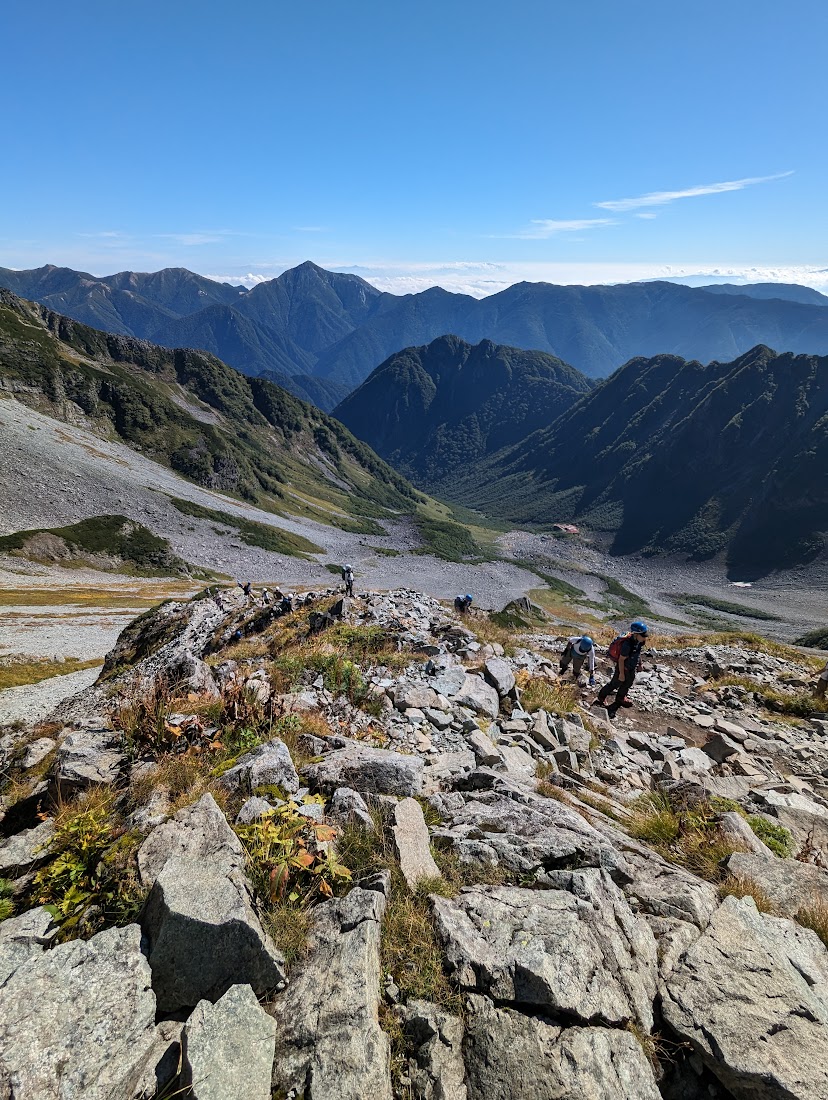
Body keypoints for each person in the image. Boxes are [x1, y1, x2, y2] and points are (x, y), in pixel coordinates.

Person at [597, 621, 648, 718]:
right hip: (623, 668)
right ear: (636, 634)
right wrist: (621, 674)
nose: (645, 637)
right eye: (643, 635)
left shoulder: (640, 642)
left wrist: (640, 664)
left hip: (631, 668)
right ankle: (601, 697)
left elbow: (638, 653)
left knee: (628, 684)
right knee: (614, 684)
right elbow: (621, 660)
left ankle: (620, 698)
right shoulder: (627, 645)